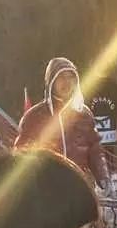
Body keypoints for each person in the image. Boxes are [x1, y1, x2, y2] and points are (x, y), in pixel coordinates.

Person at [15, 57, 108, 190]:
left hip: (79, 187)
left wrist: (103, 177)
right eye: (61, 77)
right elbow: (21, 155)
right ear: (51, 81)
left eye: (71, 77)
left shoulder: (84, 114)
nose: (67, 82)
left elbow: (95, 149)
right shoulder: (34, 116)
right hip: (47, 191)